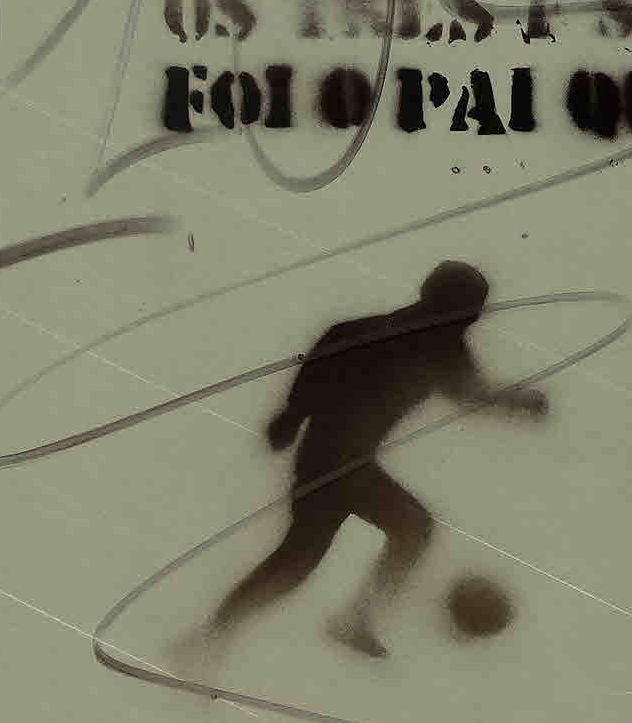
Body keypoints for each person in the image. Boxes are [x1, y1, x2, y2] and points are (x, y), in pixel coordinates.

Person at [194, 260, 543, 662]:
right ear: (445, 308)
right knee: (383, 534)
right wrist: (291, 416)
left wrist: (517, 401)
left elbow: (470, 391)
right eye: (465, 316)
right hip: (330, 458)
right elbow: (319, 372)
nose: (466, 327)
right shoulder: (391, 338)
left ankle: (222, 631)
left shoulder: (435, 348)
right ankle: (341, 621)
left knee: (303, 556)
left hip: (342, 460)